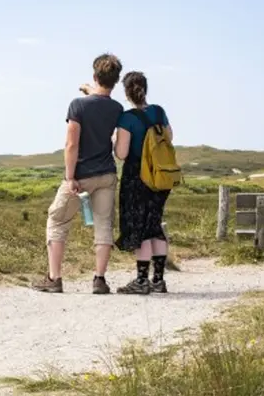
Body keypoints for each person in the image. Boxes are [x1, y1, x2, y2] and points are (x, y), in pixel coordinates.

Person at [33, 53, 124, 294]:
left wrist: (70, 176)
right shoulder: (117, 108)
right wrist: (90, 89)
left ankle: (54, 278)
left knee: (57, 220)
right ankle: (99, 279)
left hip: (81, 174)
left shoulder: (77, 105)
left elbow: (71, 144)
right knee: (104, 225)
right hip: (106, 174)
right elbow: (101, 104)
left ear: (95, 76)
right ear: (115, 81)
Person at [112, 71, 173, 294]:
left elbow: (121, 153)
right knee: (154, 225)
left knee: (141, 229)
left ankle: (141, 280)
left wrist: (114, 142)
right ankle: (158, 280)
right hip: (160, 176)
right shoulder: (159, 111)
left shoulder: (127, 118)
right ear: (145, 89)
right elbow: (170, 137)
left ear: (126, 92)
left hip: (137, 177)